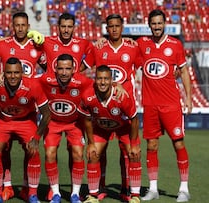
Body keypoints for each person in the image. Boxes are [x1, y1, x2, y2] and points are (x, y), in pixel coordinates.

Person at [83, 14, 142, 201]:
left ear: (122, 27)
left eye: (117, 25)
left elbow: (146, 66)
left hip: (125, 108)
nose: (114, 29)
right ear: (106, 28)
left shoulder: (133, 47)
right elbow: (82, 68)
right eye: (111, 26)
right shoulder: (98, 47)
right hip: (102, 109)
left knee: (128, 152)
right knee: (98, 151)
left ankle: (128, 190)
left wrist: (174, 70)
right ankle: (100, 187)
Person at [0, 11, 44, 200]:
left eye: (23, 25)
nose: (20, 28)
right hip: (6, 112)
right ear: (13, 26)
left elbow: (51, 68)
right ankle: (6, 187)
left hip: (28, 109)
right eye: (16, 25)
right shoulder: (2, 45)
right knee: (2, 149)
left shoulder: (37, 46)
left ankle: (28, 188)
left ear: (28, 26)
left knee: (31, 149)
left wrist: (38, 83)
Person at [137, 9, 192, 202]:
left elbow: (184, 73)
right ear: (149, 24)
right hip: (150, 105)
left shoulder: (175, 45)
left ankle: (184, 189)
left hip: (171, 105)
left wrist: (189, 98)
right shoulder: (142, 44)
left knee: (178, 143)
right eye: (154, 23)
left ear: (164, 23)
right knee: (151, 145)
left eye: (160, 23)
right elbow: (125, 50)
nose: (157, 26)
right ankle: (153, 189)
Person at [0, 57, 51, 203]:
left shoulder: (33, 85)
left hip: (26, 121)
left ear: (22, 73)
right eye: (8, 73)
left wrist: (36, 139)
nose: (12, 76)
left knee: (33, 150)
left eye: (16, 73)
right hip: (4, 121)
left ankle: (32, 194)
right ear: (4, 73)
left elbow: (47, 114)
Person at [79, 65, 141, 203]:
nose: (102, 82)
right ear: (94, 80)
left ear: (111, 80)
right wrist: (90, 144)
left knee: (134, 153)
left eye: (106, 79)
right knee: (93, 154)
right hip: (101, 127)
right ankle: (93, 195)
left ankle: (135, 195)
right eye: (99, 78)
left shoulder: (122, 96)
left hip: (123, 127)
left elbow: (134, 119)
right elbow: (87, 120)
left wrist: (134, 143)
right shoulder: (88, 95)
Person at [38, 54, 93, 203]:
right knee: (50, 154)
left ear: (74, 69)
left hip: (74, 123)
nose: (64, 72)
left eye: (68, 69)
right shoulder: (46, 79)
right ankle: (55, 193)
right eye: (60, 69)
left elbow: (102, 85)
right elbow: (27, 81)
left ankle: (75, 194)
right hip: (53, 122)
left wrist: (117, 85)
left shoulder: (83, 82)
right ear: (55, 69)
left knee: (78, 153)